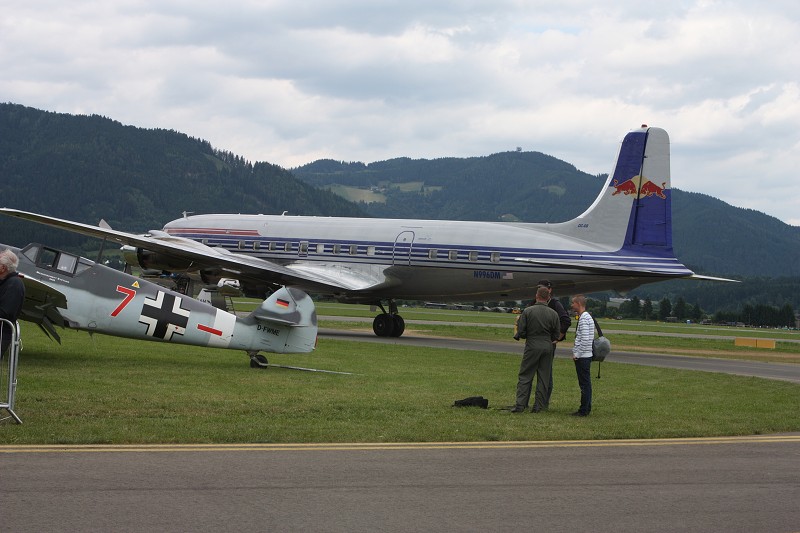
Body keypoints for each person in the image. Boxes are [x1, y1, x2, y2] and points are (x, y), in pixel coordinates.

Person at [511, 286, 561, 413]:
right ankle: (538, 406)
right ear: (548, 297)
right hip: (547, 346)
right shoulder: (554, 313)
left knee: (525, 375)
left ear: (537, 296)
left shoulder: (528, 311)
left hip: (532, 345)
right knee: (544, 377)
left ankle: (520, 405)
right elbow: (556, 335)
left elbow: (521, 332)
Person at [536, 280, 571, 409]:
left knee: (546, 373)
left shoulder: (555, 304)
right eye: (538, 288)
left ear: (549, 290)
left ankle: (544, 402)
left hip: (549, 343)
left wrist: (558, 338)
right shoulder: (535, 302)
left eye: (542, 288)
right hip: (535, 342)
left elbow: (566, 320)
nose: (540, 290)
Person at [571, 294, 594, 416]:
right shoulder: (587, 316)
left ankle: (584, 410)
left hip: (583, 356)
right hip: (586, 355)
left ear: (578, 304)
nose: (571, 305)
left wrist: (577, 354)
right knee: (586, 383)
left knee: (584, 384)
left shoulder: (584, 318)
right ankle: (586, 407)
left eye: (573, 303)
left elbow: (585, 339)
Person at [0, 249, 25, 357]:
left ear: (3, 268)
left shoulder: (14, 284)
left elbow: (6, 312)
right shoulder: (5, 281)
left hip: (1, 334)